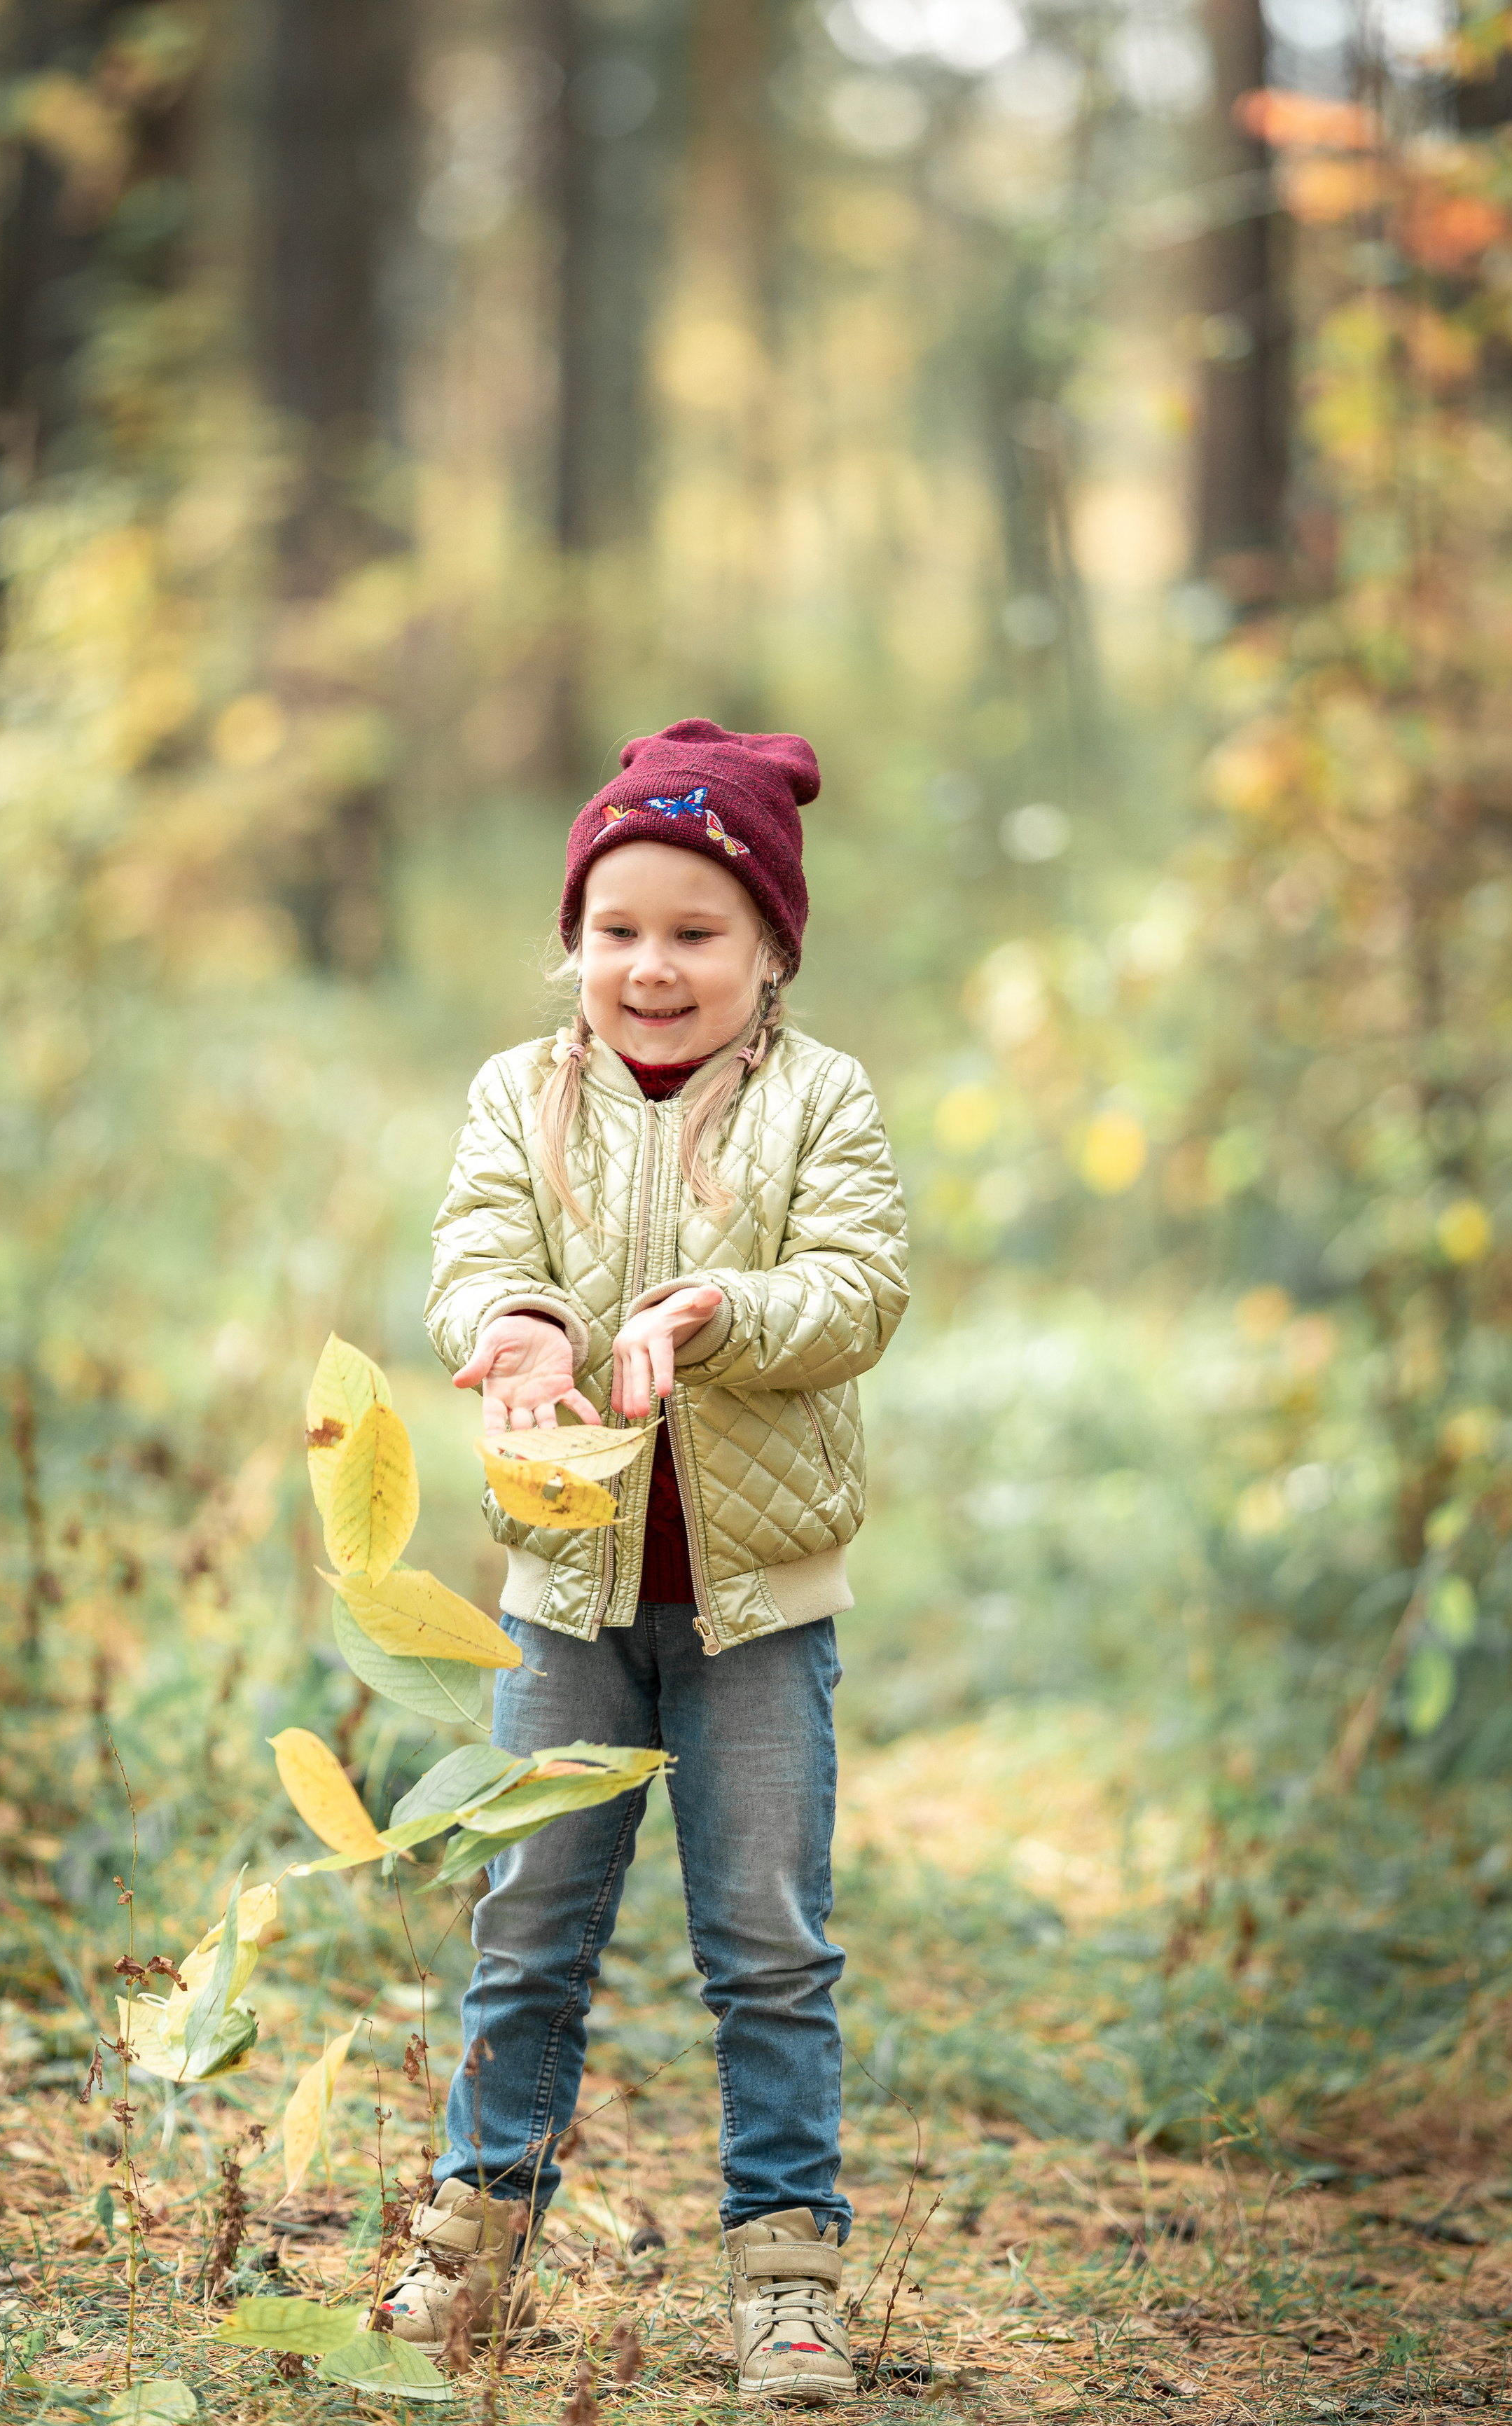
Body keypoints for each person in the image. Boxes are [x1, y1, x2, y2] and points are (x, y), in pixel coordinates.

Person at [378, 719, 908, 2404]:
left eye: (696, 932)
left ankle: (785, 2276)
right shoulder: (517, 1099)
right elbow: (473, 1255)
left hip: (757, 1608)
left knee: (765, 1934)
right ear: (572, 944)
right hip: (566, 1594)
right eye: (617, 930)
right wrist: (521, 1326)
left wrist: (729, 1310)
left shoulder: (821, 1099)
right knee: (529, 1913)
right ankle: (474, 2241)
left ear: (770, 953)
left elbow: (860, 1284)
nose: (651, 967)